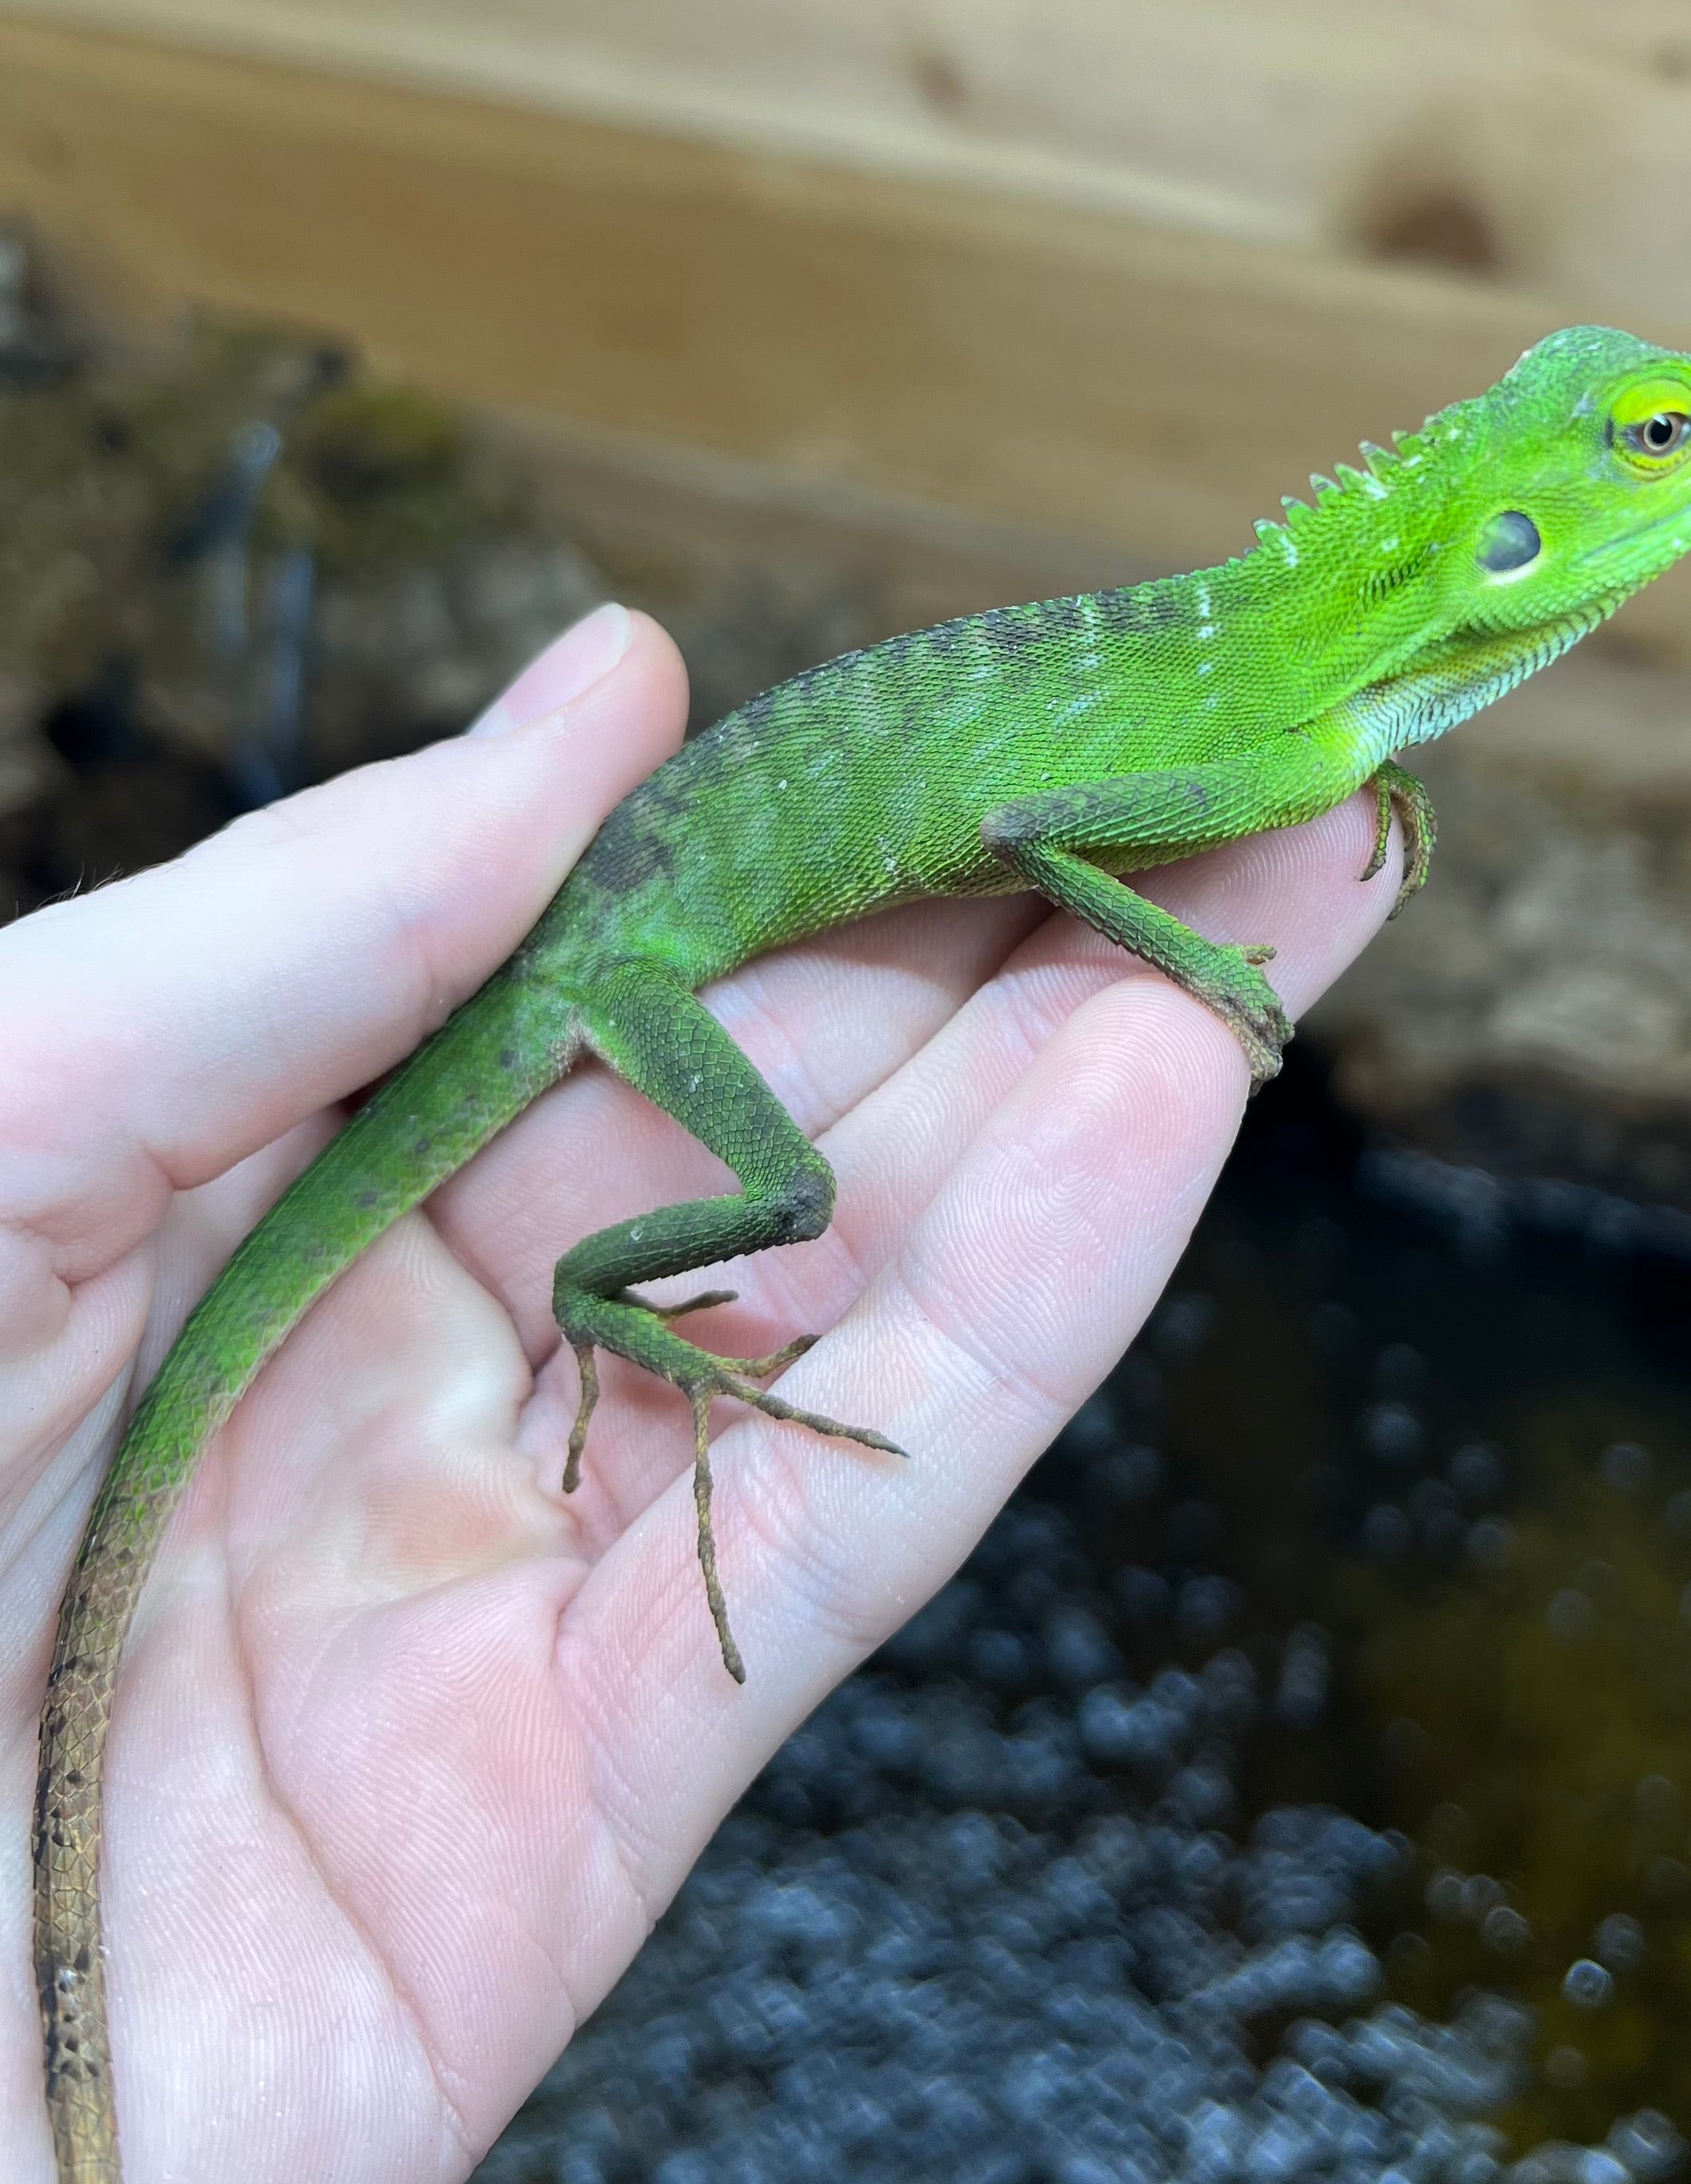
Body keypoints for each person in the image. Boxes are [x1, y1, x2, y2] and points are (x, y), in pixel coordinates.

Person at [0, 605, 1401, 2178]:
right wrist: (1205, 957)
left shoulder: (1277, 696)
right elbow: (1033, 821)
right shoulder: (1268, 701)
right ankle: (596, 1288)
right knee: (797, 1195)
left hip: (636, 927)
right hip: (616, 961)